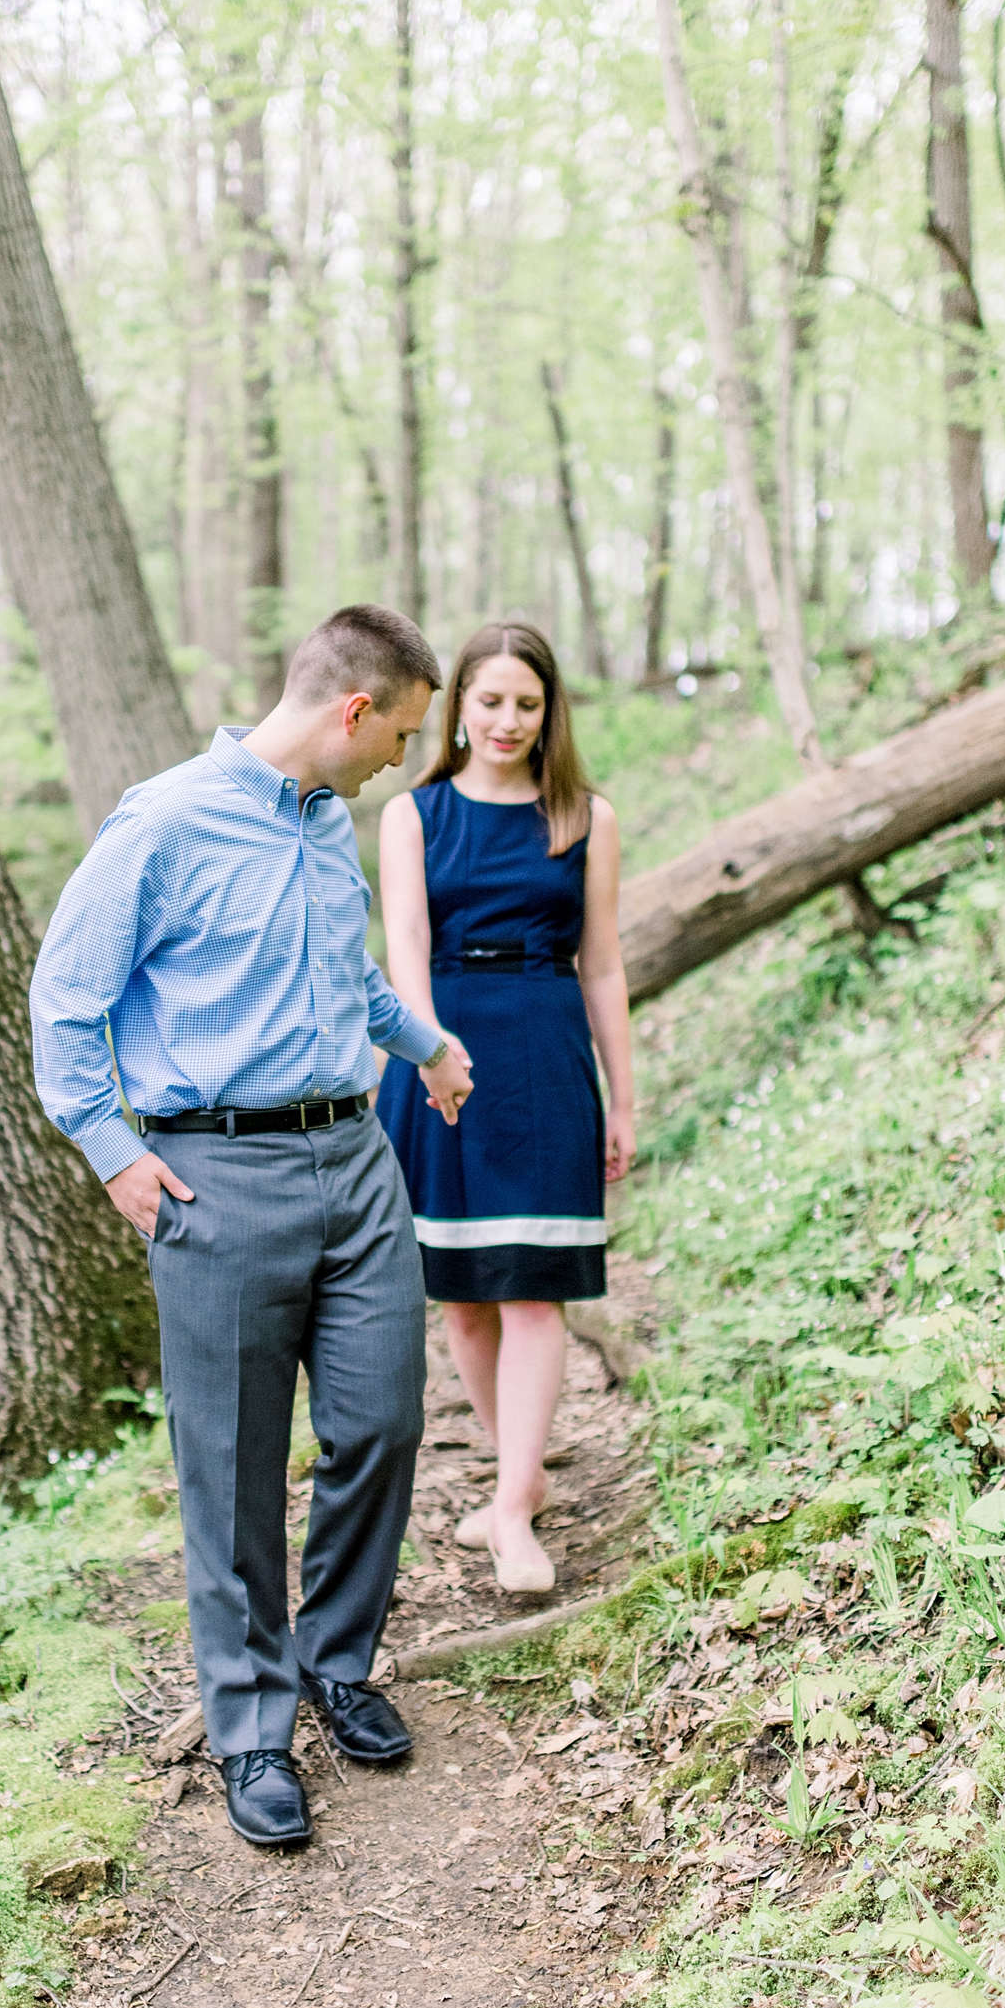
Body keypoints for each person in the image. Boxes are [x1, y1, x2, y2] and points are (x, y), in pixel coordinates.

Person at [30, 606, 474, 1851]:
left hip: (358, 1159)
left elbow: (348, 979)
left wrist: (423, 1045)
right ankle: (252, 1730)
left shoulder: (333, 826)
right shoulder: (164, 823)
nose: (404, 754)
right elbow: (65, 1002)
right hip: (216, 1181)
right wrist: (116, 1154)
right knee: (231, 1470)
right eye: (401, 728)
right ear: (351, 712)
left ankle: (338, 1662)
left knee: (384, 1419)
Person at [376, 620, 634, 1595]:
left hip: (545, 1044)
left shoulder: (584, 817)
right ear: (459, 708)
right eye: (490, 700)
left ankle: (516, 1508)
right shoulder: (417, 815)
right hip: (442, 1047)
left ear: (548, 711)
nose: (507, 720)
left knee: (535, 1287)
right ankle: (511, 1476)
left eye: (527, 703)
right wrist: (432, 1051)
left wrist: (624, 1098)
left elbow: (603, 965)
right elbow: (405, 942)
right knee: (469, 1296)